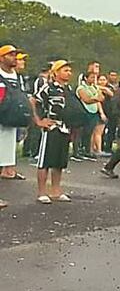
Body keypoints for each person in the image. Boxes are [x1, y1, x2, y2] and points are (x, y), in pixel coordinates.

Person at [33, 60, 77, 204]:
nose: (68, 73)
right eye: (65, 70)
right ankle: (41, 192)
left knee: (59, 161)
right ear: (56, 72)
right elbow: (33, 101)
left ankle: (56, 191)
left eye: (70, 70)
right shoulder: (48, 88)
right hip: (51, 127)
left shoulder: (69, 89)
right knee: (45, 160)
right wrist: (39, 120)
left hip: (65, 127)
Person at [0, 43, 26, 207]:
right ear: (1, 58)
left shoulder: (17, 76)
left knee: (3, 159)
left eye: (15, 54)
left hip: (10, 122)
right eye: (10, 55)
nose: (14, 58)